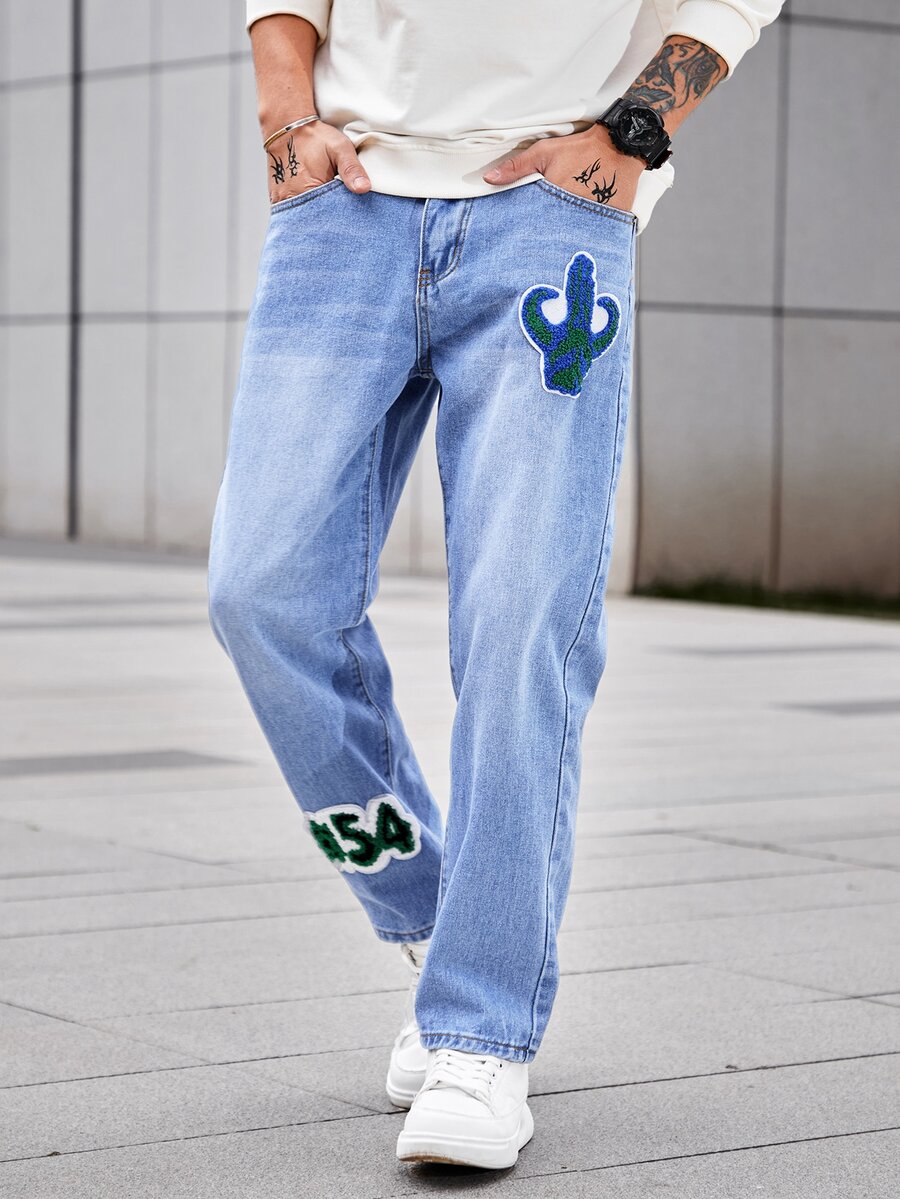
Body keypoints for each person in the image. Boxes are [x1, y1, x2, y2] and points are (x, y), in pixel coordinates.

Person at [208, 0, 782, 1170]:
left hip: (550, 214)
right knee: (260, 592)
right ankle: (441, 912)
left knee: (523, 618)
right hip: (346, 203)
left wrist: (632, 133)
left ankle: (479, 1027)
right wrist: (287, 118)